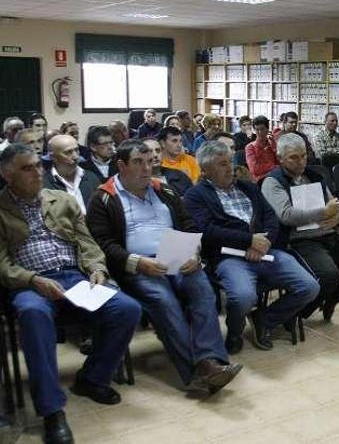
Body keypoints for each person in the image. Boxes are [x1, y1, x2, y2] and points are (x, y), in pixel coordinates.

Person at [0, 143, 141, 444]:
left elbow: (87, 242)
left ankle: (92, 378)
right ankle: (52, 411)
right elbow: (2, 264)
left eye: (39, 165)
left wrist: (97, 269)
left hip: (75, 277)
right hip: (31, 284)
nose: (38, 172)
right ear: (6, 174)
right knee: (33, 314)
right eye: (27, 168)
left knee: (127, 309)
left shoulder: (61, 199)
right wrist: (33, 279)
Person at [86, 140, 242, 393]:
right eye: (138, 162)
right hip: (137, 265)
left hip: (176, 255)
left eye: (149, 162)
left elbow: (189, 225)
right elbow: (103, 244)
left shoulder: (164, 191)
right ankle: (198, 370)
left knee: (203, 290)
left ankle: (210, 361)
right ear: (121, 165)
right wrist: (136, 262)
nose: (147, 168)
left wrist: (194, 251)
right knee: (163, 300)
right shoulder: (103, 198)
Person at [184, 141, 319, 353]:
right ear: (206, 170)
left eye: (230, 162)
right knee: (243, 297)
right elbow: (207, 232)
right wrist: (248, 241)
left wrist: (263, 243)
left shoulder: (248, 187)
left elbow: (271, 218)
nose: (230, 168)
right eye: (222, 164)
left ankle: (264, 320)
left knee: (309, 287)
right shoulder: (196, 195)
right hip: (229, 257)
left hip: (266, 250)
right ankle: (235, 331)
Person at [263, 134, 339, 321]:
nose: (300, 162)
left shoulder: (314, 176)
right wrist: (324, 213)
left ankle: (332, 298)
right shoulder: (273, 182)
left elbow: (335, 205)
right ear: (280, 158)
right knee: (328, 275)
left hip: (328, 235)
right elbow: (286, 215)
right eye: (294, 157)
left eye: (303, 156)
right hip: (299, 241)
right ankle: (293, 315)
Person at [43, 134, 100, 215]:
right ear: (53, 157)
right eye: (68, 152)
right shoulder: (45, 184)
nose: (75, 156)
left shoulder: (91, 178)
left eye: (76, 150)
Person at [244, 115, 277, 182]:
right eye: (257, 129)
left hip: (275, 177)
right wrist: (274, 167)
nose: (259, 132)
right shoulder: (250, 147)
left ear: (267, 129)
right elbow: (254, 169)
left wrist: (274, 148)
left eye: (262, 129)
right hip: (259, 181)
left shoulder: (272, 144)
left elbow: (280, 163)